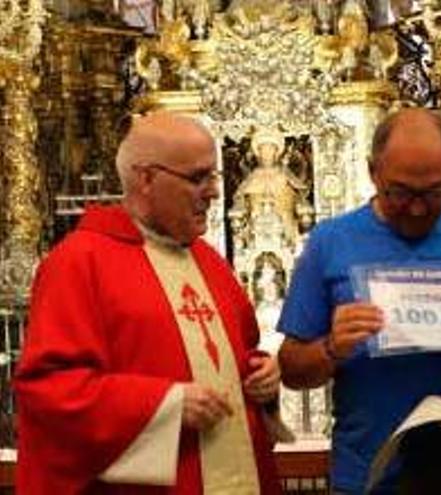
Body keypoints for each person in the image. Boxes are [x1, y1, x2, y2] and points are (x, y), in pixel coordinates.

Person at [276, 108, 441, 493]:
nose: (417, 207)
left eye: (434, 192)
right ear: (372, 172)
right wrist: (332, 347)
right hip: (369, 473)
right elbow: (292, 370)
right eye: (400, 192)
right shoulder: (330, 242)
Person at [15, 112, 282, 494]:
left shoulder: (210, 264)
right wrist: (164, 404)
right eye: (197, 177)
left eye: (214, 176)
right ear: (145, 178)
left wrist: (262, 380)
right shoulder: (79, 262)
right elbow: (50, 389)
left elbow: (235, 357)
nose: (214, 192)